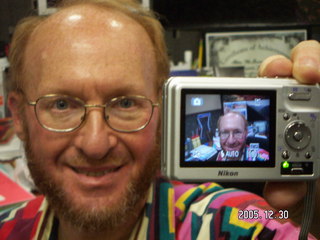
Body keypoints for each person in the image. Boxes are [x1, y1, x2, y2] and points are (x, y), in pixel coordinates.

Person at [0, 0, 319, 239]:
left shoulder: (232, 223)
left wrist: (311, 215)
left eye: (125, 103)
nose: (95, 144)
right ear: (19, 116)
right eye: (61, 104)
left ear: (163, 110)